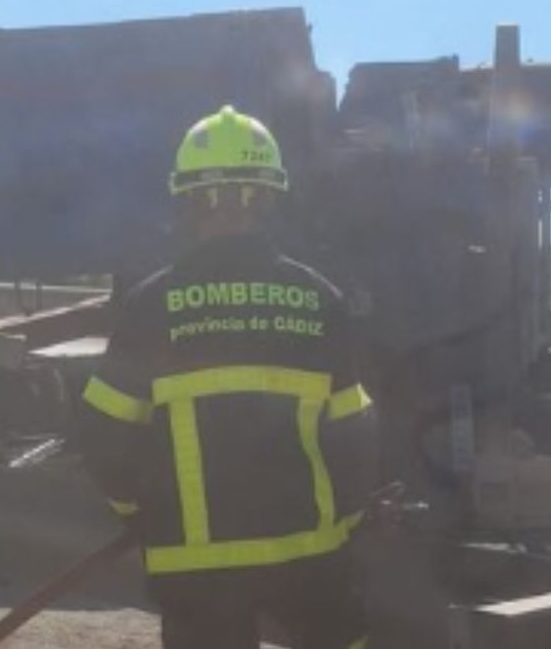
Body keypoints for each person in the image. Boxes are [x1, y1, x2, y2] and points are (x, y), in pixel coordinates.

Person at [79, 106, 378, 649]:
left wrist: (141, 514)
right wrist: (350, 522)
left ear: (188, 199)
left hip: (194, 566)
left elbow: (102, 434)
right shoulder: (319, 298)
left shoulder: (153, 304)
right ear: (269, 197)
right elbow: (355, 434)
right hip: (310, 557)